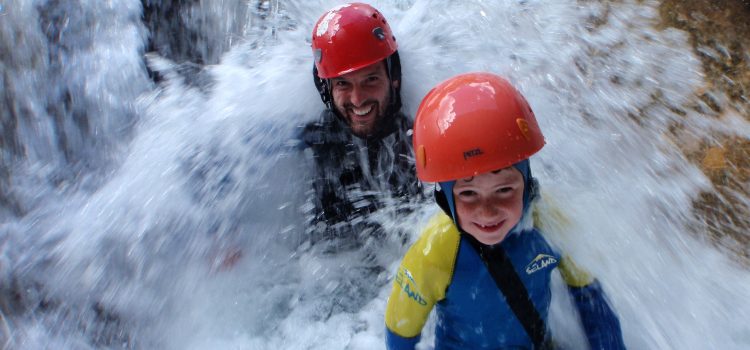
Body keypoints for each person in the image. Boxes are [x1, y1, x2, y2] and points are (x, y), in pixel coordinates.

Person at [384, 72, 626, 349]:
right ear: (445, 200)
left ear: (527, 183)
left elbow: (590, 296)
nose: (487, 212)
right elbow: (400, 331)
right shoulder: (435, 252)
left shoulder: (549, 222)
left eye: (504, 190)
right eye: (468, 194)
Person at [300, 3, 424, 252]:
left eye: (371, 79)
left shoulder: (423, 135)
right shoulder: (316, 138)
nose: (357, 99)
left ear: (394, 78)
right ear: (327, 90)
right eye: (343, 84)